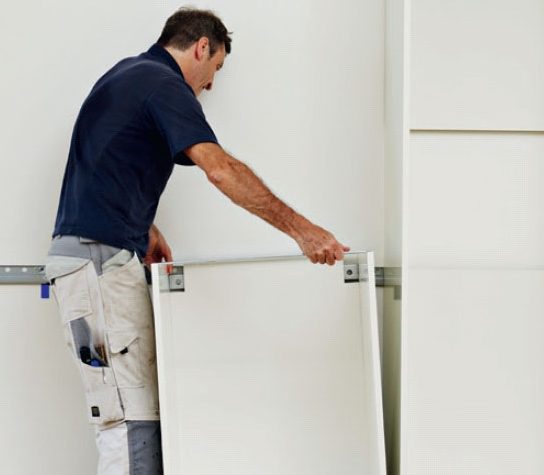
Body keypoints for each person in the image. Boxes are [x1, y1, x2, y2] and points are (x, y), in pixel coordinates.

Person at [45, 7, 349, 475]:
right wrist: (303, 231)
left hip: (90, 260)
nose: (210, 85)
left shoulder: (125, 75)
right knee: (132, 426)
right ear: (202, 47)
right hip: (99, 265)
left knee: (124, 419)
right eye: (217, 68)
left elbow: (106, 161)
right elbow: (221, 169)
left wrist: (143, 227)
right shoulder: (164, 84)